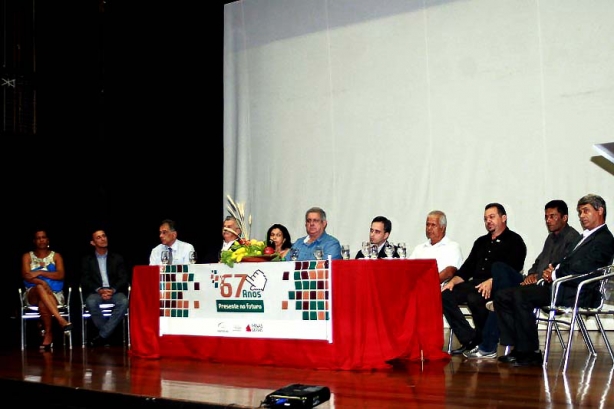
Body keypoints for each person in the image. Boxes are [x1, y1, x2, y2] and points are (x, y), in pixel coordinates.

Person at [495, 194, 614, 366]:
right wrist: (553, 269)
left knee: (520, 296)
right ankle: (519, 347)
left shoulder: (605, 239)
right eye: (580, 212)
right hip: (563, 286)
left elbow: (586, 266)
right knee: (503, 295)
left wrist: (555, 273)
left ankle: (531, 353)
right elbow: (568, 261)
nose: (581, 216)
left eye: (585, 211)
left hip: (579, 292)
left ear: (600, 211)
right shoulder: (585, 236)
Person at [442, 203, 526, 358]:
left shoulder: (515, 241)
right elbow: (467, 268)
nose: (488, 221)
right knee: (445, 294)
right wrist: (452, 281)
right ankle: (471, 339)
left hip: (498, 284)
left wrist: (492, 281)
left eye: (492, 217)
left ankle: (486, 343)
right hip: (476, 283)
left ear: (504, 218)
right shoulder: (480, 242)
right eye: (486, 218)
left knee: (475, 298)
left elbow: (513, 269)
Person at [21, 229, 72, 350]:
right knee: (39, 287)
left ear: (48, 240)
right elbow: (26, 275)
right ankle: (60, 320)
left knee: (43, 303)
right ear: (34, 241)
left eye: (43, 237)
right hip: (31, 293)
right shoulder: (27, 256)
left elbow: (60, 275)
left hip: (54, 293)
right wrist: (41, 282)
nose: (41, 240)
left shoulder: (56, 256)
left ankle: (48, 333)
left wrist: (38, 272)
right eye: (38, 238)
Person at [81, 229, 130, 347]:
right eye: (98, 237)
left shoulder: (117, 258)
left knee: (124, 301)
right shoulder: (87, 260)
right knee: (91, 302)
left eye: (104, 236)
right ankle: (108, 334)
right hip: (97, 291)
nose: (103, 239)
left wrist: (112, 289)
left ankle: (103, 335)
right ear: (92, 243)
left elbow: (123, 278)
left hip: (114, 290)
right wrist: (99, 290)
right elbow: (85, 280)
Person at [408, 210, 464, 286]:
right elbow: (408, 269)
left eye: (433, 225)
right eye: (427, 225)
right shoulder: (419, 248)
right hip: (416, 289)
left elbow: (450, 272)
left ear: (443, 228)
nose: (429, 228)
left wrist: (427, 283)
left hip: (440, 291)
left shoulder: (452, 247)